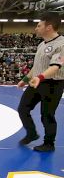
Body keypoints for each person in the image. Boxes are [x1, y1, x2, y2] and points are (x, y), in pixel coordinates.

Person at [17, 13, 64, 152]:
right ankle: (31, 133)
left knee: (47, 114)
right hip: (37, 81)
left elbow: (56, 66)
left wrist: (40, 77)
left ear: (48, 27)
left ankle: (49, 143)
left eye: (39, 25)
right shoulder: (41, 44)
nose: (36, 28)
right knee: (23, 108)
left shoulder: (61, 44)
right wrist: (24, 80)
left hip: (53, 84)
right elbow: (36, 66)